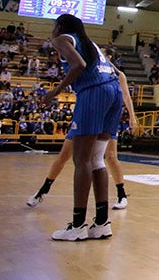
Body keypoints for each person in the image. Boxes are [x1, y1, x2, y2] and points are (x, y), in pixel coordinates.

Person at [39, 14, 124, 241]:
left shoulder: (61, 40)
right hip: (114, 93)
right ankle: (102, 223)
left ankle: (78, 225)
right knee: (97, 160)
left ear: (59, 27)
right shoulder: (91, 43)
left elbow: (79, 65)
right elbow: (113, 73)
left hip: (94, 93)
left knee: (81, 160)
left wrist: (55, 92)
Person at [27, 69, 136, 211]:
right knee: (64, 155)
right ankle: (43, 190)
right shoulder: (90, 71)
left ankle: (122, 195)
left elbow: (126, 96)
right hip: (87, 115)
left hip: (106, 118)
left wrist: (132, 117)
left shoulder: (119, 75)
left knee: (110, 156)